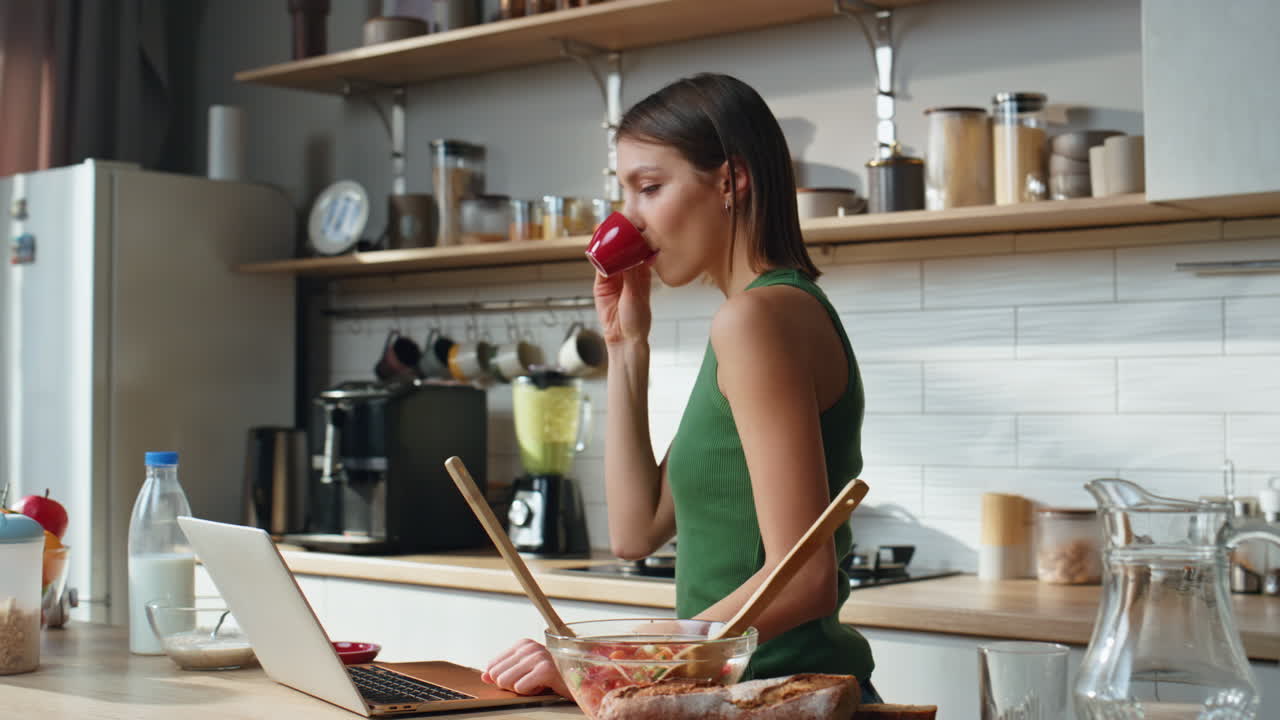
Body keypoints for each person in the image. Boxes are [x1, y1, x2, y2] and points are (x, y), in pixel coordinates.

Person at [480, 72, 880, 703]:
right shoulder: (752, 316)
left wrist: (619, 660)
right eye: (624, 193)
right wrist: (625, 345)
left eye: (649, 187)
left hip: (784, 697)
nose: (627, 220)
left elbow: (805, 580)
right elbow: (635, 533)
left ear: (730, 180)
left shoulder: (757, 319)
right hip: (729, 695)